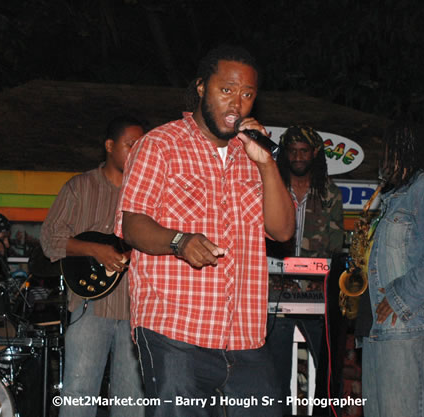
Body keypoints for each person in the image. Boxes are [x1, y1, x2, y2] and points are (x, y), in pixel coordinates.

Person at [115, 45, 295, 417]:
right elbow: (131, 225)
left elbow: (282, 231)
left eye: (247, 94)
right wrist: (179, 241)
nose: (236, 104)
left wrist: (265, 165)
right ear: (201, 88)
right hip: (176, 330)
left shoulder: (253, 155)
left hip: (244, 335)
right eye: (226, 90)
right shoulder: (160, 145)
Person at [354, 120, 424, 417]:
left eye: (390, 151)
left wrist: (402, 294)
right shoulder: (394, 200)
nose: (384, 160)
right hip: (384, 330)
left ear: (408, 151)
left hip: (411, 327)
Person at [40, 115, 145, 417]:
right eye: (130, 145)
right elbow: (49, 239)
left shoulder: (149, 193)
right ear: (110, 146)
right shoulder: (79, 187)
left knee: (131, 399)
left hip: (136, 309)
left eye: (142, 147)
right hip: (88, 306)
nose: (137, 153)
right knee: (78, 393)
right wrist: (95, 250)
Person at [265, 125, 344, 413]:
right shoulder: (270, 188)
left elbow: (335, 248)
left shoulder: (330, 194)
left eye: (304, 151)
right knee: (275, 377)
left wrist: (318, 281)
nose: (298, 157)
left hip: (317, 295)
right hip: (274, 294)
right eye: (292, 151)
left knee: (327, 373)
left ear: (314, 154)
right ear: (285, 155)